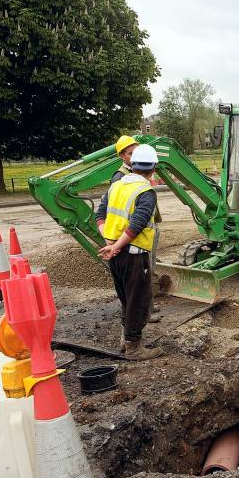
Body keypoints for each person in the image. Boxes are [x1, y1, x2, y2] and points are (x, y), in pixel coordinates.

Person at [96, 144, 163, 360]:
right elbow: (137, 224)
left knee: (126, 297)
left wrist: (110, 242)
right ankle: (134, 347)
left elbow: (100, 213)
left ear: (132, 165)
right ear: (153, 167)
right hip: (133, 254)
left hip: (115, 255)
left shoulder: (116, 186)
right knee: (138, 300)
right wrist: (116, 246)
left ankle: (126, 340)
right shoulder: (145, 191)